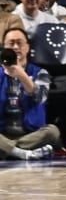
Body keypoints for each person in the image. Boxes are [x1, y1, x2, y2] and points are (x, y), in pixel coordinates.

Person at [0, 24, 61, 160]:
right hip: (3, 135)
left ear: (27, 47)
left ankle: (10, 151)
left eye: (19, 43)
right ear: (4, 48)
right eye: (11, 43)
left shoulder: (41, 73)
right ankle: (25, 154)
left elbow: (40, 98)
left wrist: (22, 75)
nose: (15, 47)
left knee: (52, 132)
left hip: (31, 135)